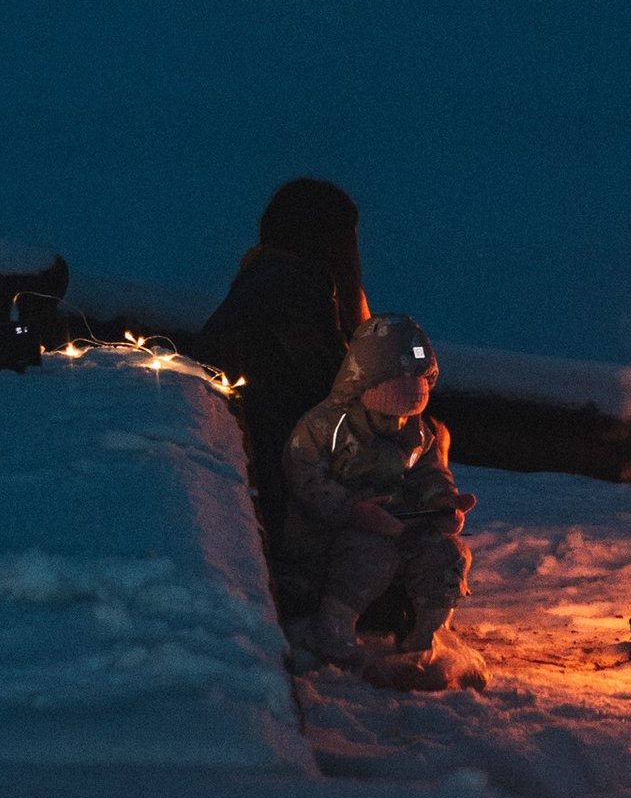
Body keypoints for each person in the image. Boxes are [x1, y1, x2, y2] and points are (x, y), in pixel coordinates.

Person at [280, 315, 473, 681]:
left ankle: (426, 636)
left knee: (447, 555)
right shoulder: (325, 426)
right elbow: (305, 480)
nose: (401, 420)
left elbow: (428, 471)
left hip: (400, 521)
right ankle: (332, 629)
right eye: (392, 409)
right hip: (334, 530)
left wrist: (442, 502)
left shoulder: (418, 431)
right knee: (369, 554)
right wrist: (353, 510)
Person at [192, 179, 367, 543]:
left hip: (248, 447)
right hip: (273, 464)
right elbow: (334, 387)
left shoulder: (262, 276)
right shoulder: (298, 286)